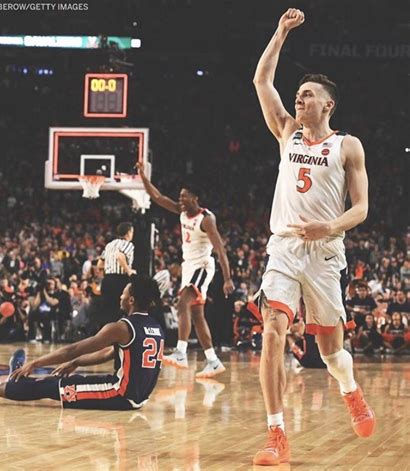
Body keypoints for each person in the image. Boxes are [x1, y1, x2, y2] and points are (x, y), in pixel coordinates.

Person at [252, 8, 375, 465]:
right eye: (299, 95)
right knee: (273, 333)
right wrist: (280, 31)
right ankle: (276, 435)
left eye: (308, 96)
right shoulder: (287, 132)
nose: (299, 100)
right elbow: (262, 82)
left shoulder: (347, 145)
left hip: (325, 251)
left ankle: (350, 389)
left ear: (329, 105)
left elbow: (361, 208)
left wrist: (331, 225)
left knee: (330, 353)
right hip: (283, 248)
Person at [0, 276, 164, 411]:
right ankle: (17, 380)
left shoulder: (121, 327)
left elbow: (73, 349)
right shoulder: (154, 327)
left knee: (50, 387)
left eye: (124, 292)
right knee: (56, 380)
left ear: (131, 300)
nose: (121, 295)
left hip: (119, 394)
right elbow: (109, 354)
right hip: (134, 394)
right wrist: (78, 363)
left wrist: (36, 363)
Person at [137, 162, 234, 378]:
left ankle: (180, 352)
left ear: (195, 198)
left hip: (202, 266)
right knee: (197, 315)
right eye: (179, 196)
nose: (180, 200)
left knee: (182, 304)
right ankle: (213, 360)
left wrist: (227, 278)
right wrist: (143, 177)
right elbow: (158, 197)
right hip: (188, 267)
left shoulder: (206, 219)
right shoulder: (182, 213)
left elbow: (220, 250)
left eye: (184, 197)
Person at [97, 222, 137, 325]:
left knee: (107, 311)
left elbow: (100, 264)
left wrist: (110, 266)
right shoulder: (128, 244)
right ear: (128, 233)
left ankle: (105, 337)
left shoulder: (109, 245)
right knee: (120, 309)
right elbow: (120, 256)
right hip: (119, 279)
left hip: (107, 280)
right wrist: (129, 271)